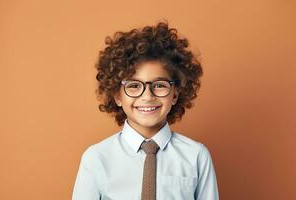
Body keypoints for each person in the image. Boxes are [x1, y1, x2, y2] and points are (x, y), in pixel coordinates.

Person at [72, 21, 219, 200]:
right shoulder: (96, 158)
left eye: (159, 85)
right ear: (117, 96)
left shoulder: (196, 156)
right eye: (134, 85)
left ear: (175, 94)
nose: (147, 96)